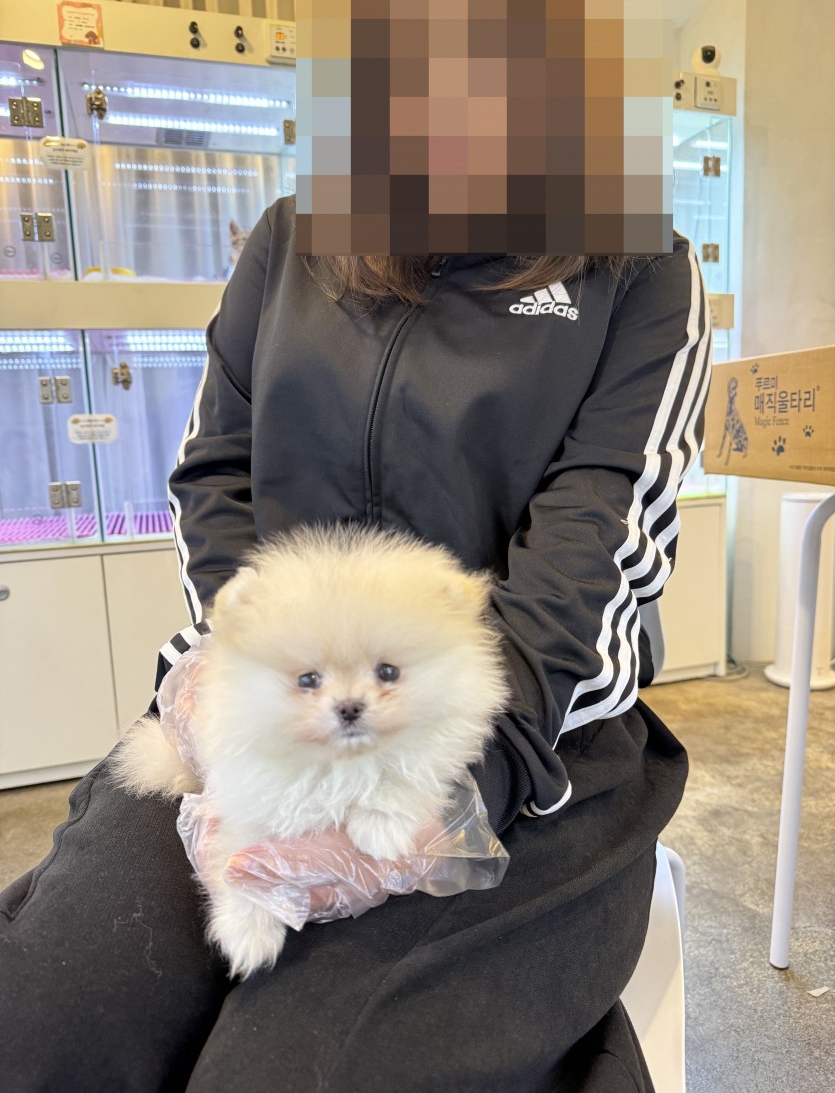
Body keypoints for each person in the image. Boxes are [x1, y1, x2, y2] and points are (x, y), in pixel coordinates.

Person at [0, 193, 710, 1092]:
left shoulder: (639, 262)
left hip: (529, 731)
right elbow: (215, 473)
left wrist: (467, 781)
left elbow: (594, 545)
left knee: (298, 1070)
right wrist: (233, 665)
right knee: (46, 1021)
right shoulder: (291, 235)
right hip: (260, 711)